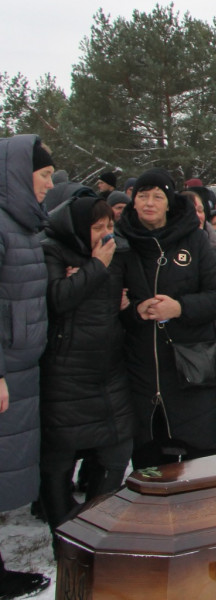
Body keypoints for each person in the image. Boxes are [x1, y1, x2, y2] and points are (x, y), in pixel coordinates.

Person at [113, 169, 216, 469]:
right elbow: (107, 299)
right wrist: (134, 310)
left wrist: (179, 307)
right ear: (133, 201)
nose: (149, 203)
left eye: (157, 196)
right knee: (150, 462)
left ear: (169, 203)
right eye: (143, 196)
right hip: (142, 369)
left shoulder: (194, 239)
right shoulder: (121, 242)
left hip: (191, 367)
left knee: (198, 464)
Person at [39, 192, 133, 534]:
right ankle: (62, 529)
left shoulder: (116, 253)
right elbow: (58, 299)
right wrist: (95, 267)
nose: (106, 233)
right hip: (67, 371)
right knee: (60, 456)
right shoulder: (53, 250)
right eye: (97, 227)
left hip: (108, 368)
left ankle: (97, 522)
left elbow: (124, 293)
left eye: (110, 225)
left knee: (117, 446)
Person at [0, 135, 55, 598]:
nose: (49, 185)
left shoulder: (23, 224)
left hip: (21, 367)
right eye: (43, 175)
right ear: (19, 175)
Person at [181, 190, 216, 448]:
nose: (197, 214)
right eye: (190, 208)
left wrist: (194, 309)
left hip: (214, 339)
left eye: (201, 209)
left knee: (210, 421)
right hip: (178, 341)